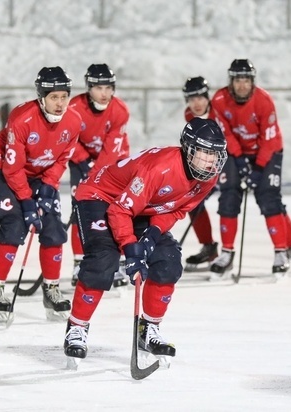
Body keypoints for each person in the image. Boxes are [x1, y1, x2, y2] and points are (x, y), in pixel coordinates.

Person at [63, 118, 227, 362]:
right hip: (101, 197)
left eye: (214, 155)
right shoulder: (159, 169)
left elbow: (176, 209)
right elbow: (119, 211)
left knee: (168, 260)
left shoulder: (207, 178)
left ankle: (148, 329)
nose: (209, 162)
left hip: (141, 207)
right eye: (203, 152)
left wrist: (153, 234)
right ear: (188, 148)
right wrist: (130, 249)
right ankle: (77, 327)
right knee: (104, 258)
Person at [0, 66, 81, 322]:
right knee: (15, 224)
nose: (60, 104)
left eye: (64, 97)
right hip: (6, 169)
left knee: (52, 228)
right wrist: (27, 201)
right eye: (54, 98)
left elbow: (62, 159)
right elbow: (12, 167)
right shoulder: (22, 118)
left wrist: (49, 187)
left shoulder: (73, 122)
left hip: (41, 173)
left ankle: (51, 288)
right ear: (42, 98)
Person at [210, 58, 291, 278]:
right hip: (236, 152)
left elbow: (269, 138)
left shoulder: (264, 100)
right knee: (228, 197)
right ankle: (227, 253)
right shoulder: (218, 99)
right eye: (237, 80)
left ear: (252, 81)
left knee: (269, 198)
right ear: (231, 81)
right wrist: (239, 160)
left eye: (246, 80)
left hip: (267, 151)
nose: (242, 85)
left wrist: (258, 168)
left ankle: (281, 251)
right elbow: (225, 133)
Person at [68, 63, 131, 288]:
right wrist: (84, 161)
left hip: (113, 163)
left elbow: (111, 151)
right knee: (80, 210)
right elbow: (68, 138)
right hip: (81, 161)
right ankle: (79, 262)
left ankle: (120, 260)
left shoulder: (120, 111)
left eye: (108, 88)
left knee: (117, 209)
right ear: (89, 88)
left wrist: (95, 172)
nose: (104, 94)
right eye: (98, 88)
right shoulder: (74, 107)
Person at [181, 76, 219, 271]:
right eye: (191, 99)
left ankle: (226, 252)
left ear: (207, 97)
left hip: (232, 161)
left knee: (229, 204)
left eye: (200, 98)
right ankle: (209, 247)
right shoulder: (189, 116)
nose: (196, 103)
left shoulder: (220, 112)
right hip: (208, 165)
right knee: (193, 203)